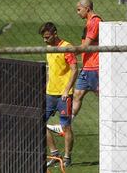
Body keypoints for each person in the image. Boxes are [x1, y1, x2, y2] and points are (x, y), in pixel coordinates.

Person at [39, 22, 78, 168]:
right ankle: (55, 154)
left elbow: (74, 69)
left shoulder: (66, 47)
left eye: (47, 37)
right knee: (39, 122)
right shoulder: (49, 48)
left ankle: (67, 157)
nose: (45, 40)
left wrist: (67, 90)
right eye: (43, 38)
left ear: (55, 33)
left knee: (66, 127)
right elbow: (51, 70)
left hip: (64, 95)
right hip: (50, 93)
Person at [73, 0, 102, 118]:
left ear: (87, 8)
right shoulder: (89, 21)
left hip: (94, 67)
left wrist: (69, 53)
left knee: (103, 96)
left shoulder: (94, 22)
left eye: (79, 10)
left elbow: (85, 46)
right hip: (87, 66)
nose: (77, 12)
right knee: (77, 94)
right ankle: (65, 125)